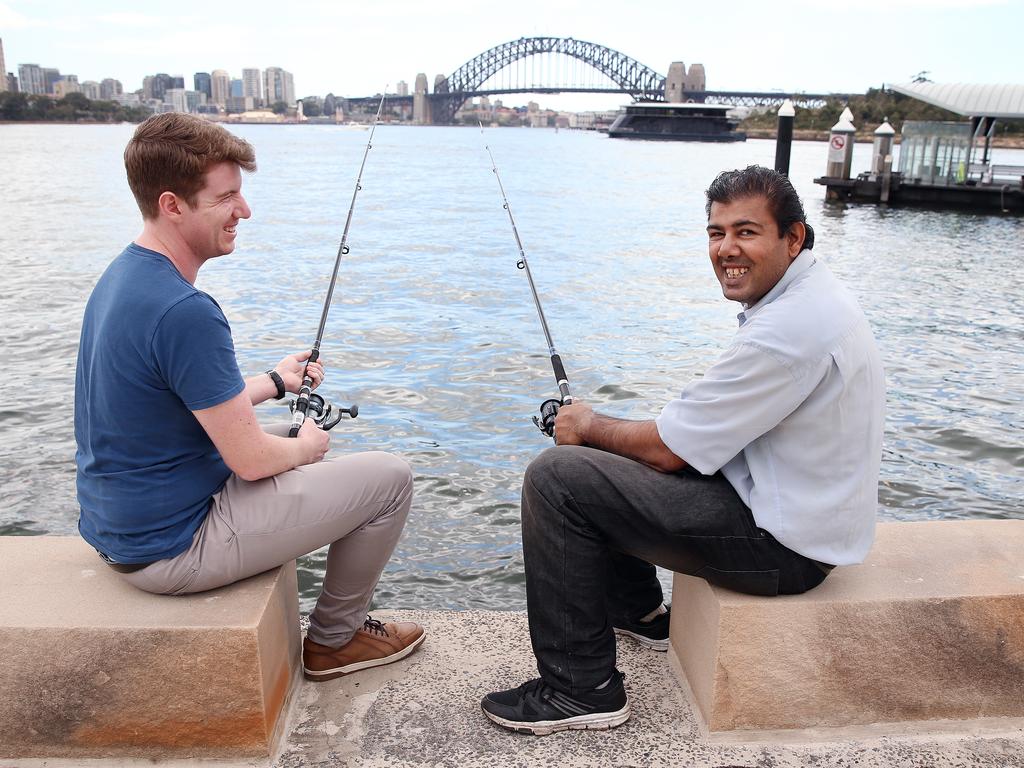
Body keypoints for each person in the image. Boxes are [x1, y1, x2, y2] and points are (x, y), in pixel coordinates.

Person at [481, 165, 885, 735]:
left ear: (793, 237)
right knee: (617, 447)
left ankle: (581, 689)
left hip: (785, 549)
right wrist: (603, 431)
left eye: (746, 232)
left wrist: (586, 424)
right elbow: (683, 438)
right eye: (716, 233)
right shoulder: (810, 296)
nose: (726, 249)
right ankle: (640, 615)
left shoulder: (789, 329)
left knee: (558, 477)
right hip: (797, 512)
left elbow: (670, 451)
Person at [74, 113, 424, 681]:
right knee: (389, 478)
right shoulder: (187, 312)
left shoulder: (124, 277)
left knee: (289, 436)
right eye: (227, 197)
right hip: (171, 548)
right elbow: (251, 460)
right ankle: (335, 641)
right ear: (172, 205)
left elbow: (184, 403)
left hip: (120, 526)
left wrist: (276, 382)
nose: (245, 211)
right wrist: (308, 448)